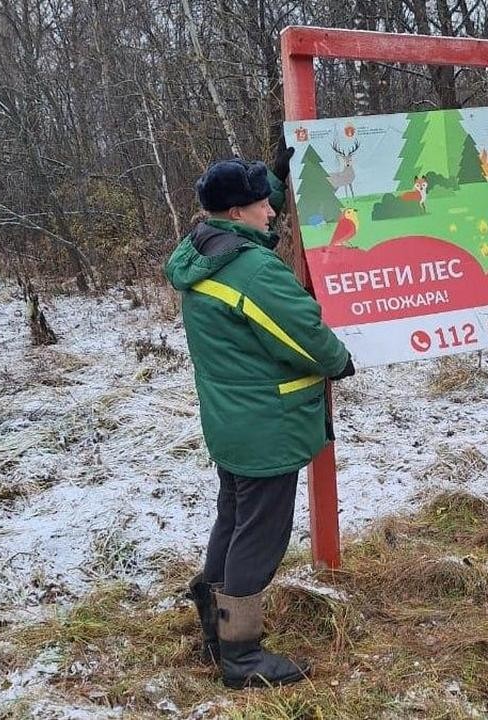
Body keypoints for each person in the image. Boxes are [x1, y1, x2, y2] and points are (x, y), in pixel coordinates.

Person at [164, 140, 355, 688]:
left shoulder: (202, 251)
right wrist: (339, 361)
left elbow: (253, 218)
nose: (272, 211)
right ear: (235, 212)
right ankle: (242, 656)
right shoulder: (253, 272)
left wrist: (271, 178)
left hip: (232, 422)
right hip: (267, 425)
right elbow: (303, 332)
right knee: (262, 535)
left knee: (235, 515)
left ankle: (214, 616)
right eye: (262, 203)